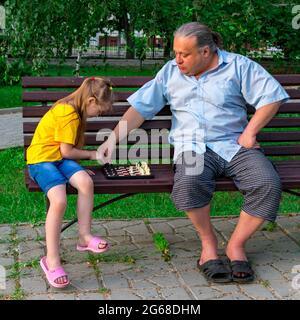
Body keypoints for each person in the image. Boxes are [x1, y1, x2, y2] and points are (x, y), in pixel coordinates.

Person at [97, 22, 290, 284]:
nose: (177, 60)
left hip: (235, 146)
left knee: (267, 183)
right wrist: (112, 139)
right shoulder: (170, 73)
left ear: (206, 52)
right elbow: (141, 108)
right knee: (189, 182)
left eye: (184, 54)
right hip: (192, 147)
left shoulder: (239, 66)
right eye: (175, 52)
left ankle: (235, 246)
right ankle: (208, 243)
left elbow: (271, 97)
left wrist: (250, 131)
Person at [27, 77, 113, 288]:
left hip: (59, 159)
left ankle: (84, 237)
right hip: (42, 160)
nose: (98, 115)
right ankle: (51, 260)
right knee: (59, 201)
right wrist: (94, 155)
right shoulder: (68, 113)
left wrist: (77, 170)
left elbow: (64, 153)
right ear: (91, 101)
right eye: (99, 111)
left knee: (85, 182)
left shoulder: (74, 109)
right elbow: (66, 150)